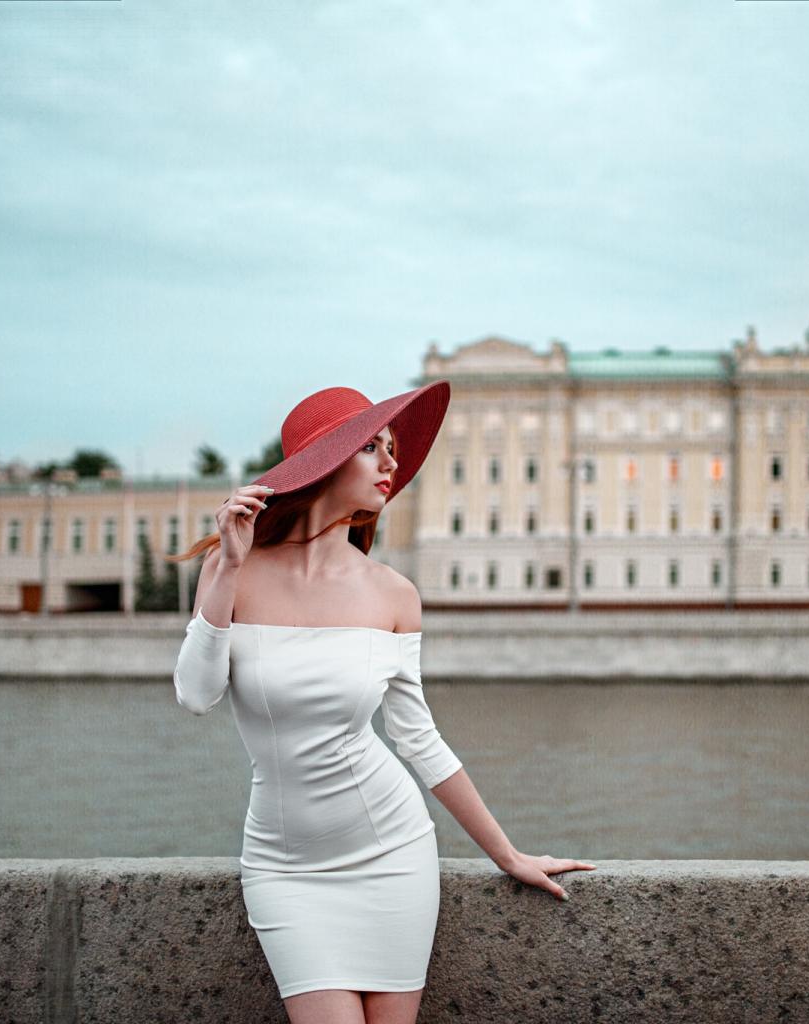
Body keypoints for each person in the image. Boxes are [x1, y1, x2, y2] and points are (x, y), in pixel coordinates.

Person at [171, 381, 597, 1024]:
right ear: (324, 463)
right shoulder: (235, 570)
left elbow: (419, 739)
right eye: (371, 447)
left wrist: (508, 855)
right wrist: (229, 566)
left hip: (393, 855)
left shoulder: (393, 593)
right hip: (285, 867)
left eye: (391, 448)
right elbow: (196, 695)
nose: (391, 463)